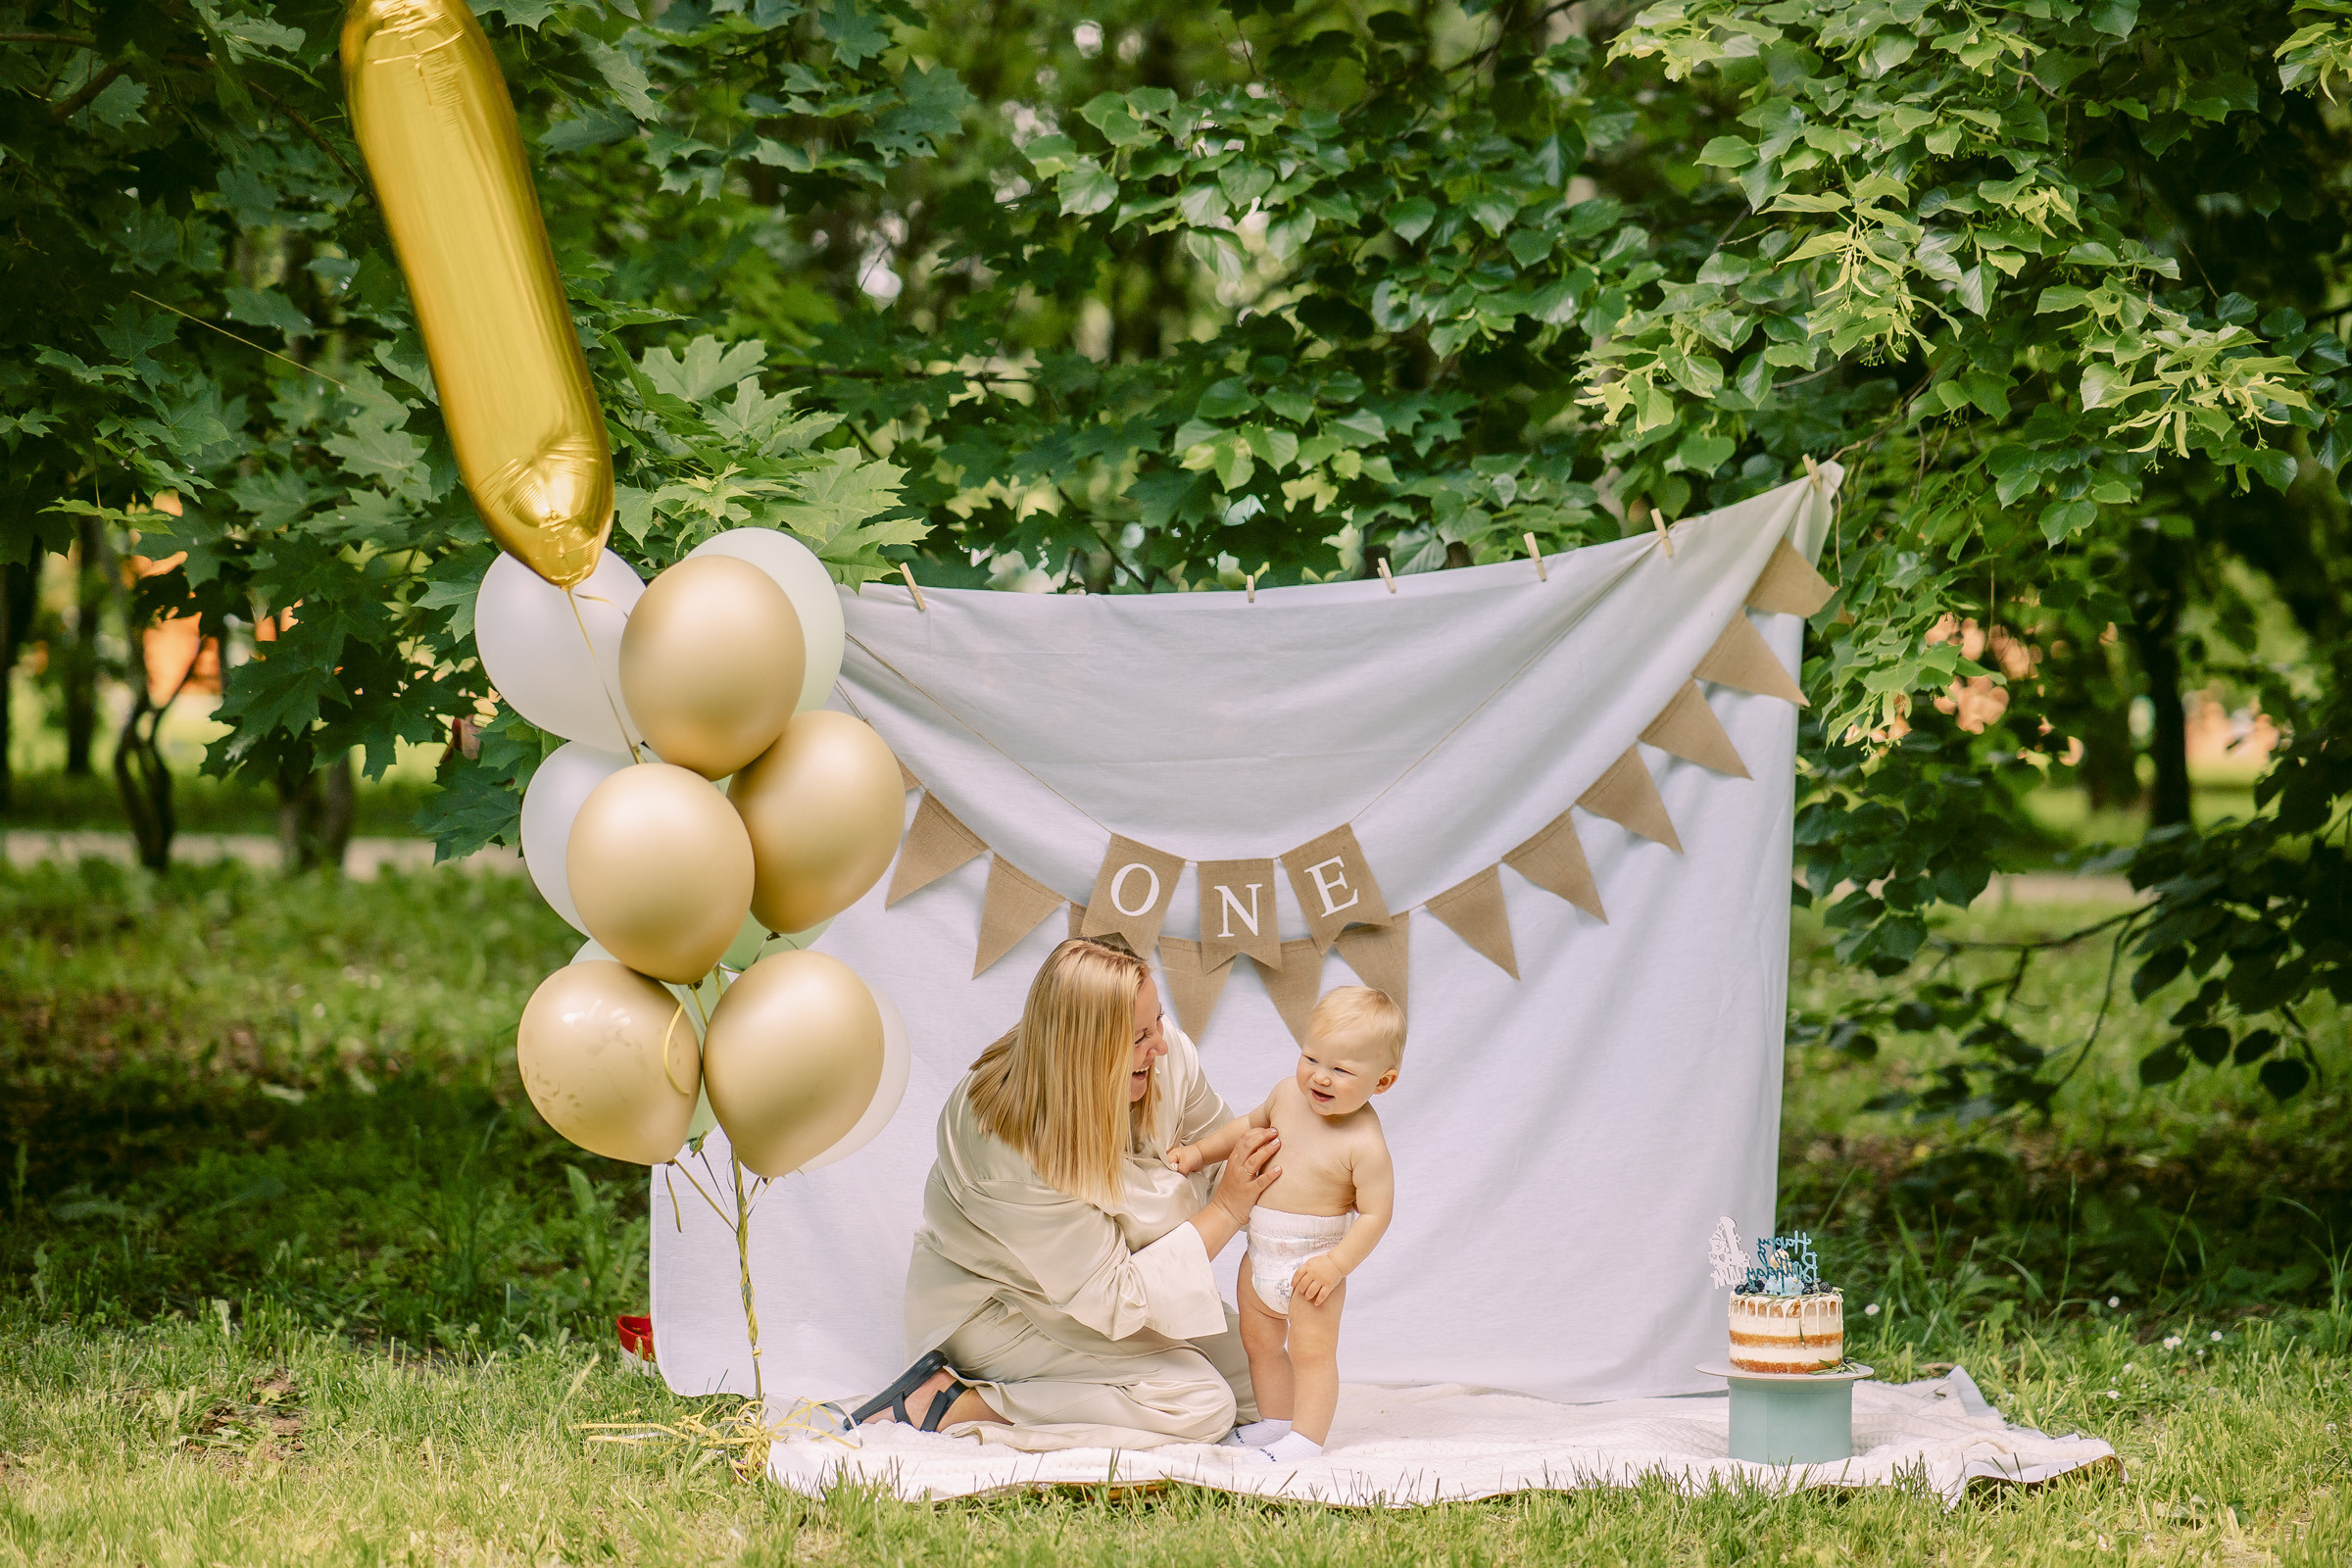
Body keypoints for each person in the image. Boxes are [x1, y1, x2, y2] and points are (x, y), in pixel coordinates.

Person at [851, 935, 1283, 1449]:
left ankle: (1101, 1385)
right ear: (1088, 1051)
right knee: (1200, 1405)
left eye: (1158, 1021)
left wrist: (1310, 1194)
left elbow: (1226, 1157)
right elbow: (1118, 1295)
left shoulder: (1164, 1060)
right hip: (1003, 1306)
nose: (1161, 1045)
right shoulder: (1007, 1144)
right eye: (1141, 1035)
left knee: (1272, 1378)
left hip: (1100, 1284)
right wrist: (1230, 1209)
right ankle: (951, 1404)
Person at [1165, 986, 1401, 1465]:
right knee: (1260, 1343)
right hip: (1260, 1252)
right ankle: (1274, 1423)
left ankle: (1306, 1440)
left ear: (1383, 1082)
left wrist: (1335, 1265)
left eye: (1341, 1070)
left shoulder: (1364, 1144)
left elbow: (1377, 1215)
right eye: (1311, 1056)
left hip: (1312, 1265)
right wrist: (1198, 1153)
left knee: (1313, 1354)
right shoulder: (1285, 1095)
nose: (1319, 1076)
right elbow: (1245, 1127)